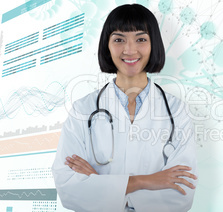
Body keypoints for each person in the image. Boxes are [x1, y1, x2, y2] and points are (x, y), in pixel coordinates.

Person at [52, 4, 198, 212]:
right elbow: (67, 186)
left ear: (153, 44)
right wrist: (145, 181)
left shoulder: (176, 111)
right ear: (107, 46)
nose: (130, 50)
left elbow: (183, 191)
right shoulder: (82, 110)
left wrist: (99, 182)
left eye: (141, 39)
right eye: (119, 39)